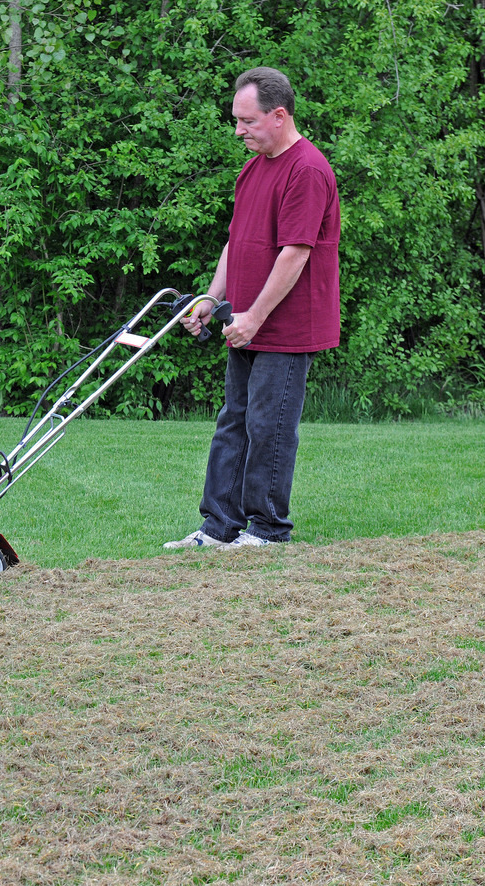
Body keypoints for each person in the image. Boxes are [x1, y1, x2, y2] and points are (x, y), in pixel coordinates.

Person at [165, 66, 340, 550]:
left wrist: (255, 317)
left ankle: (266, 529)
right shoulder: (253, 167)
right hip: (243, 320)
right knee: (233, 421)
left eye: (247, 121)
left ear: (279, 115)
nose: (238, 130)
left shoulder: (306, 170)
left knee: (269, 427)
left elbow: (296, 253)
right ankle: (218, 528)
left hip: (284, 327)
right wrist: (212, 300)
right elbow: (235, 241)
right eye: (236, 120)